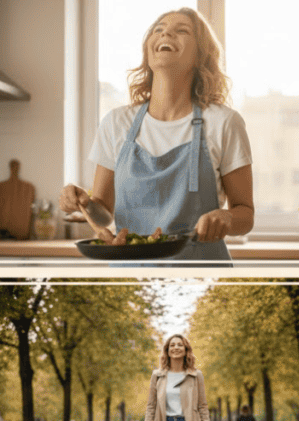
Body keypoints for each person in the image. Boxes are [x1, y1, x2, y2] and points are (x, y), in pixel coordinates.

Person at [59, 8, 254, 262]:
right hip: (131, 279)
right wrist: (84, 203)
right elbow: (104, 213)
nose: (167, 32)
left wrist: (227, 217)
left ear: (200, 56)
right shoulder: (116, 123)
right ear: (149, 51)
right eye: (158, 29)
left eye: (182, 30)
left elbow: (245, 214)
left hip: (201, 274)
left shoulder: (224, 122)